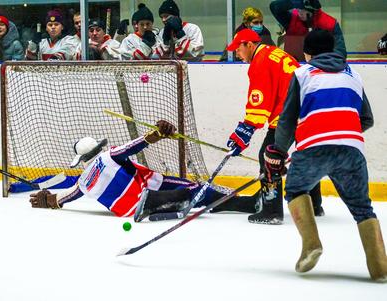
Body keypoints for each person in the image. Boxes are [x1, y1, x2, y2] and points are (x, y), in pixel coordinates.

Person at [263, 29, 386, 282]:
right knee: (363, 208)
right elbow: (367, 119)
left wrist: (279, 151)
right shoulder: (354, 74)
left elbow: (286, 120)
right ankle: (380, 267)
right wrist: (341, 132)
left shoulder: (302, 73)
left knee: (296, 190)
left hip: (313, 148)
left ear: (307, 53)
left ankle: (311, 245)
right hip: (352, 148)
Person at [29, 120, 257, 221]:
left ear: (82, 160)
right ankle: (246, 203)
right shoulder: (109, 155)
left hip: (130, 210)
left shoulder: (82, 182)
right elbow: (135, 145)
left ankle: (166, 202)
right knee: (196, 189)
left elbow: (65, 197)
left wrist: (48, 199)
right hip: (149, 191)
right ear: (98, 148)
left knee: (187, 193)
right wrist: (158, 133)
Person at [224, 28, 322, 225]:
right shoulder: (274, 53)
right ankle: (315, 204)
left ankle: (271, 211)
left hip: (289, 115)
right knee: (305, 155)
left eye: (238, 48)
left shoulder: (260, 62)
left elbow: (260, 102)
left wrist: (245, 131)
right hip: (308, 113)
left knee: (268, 157)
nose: (236, 53)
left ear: (249, 45)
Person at [270, 0, 346, 61]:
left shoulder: (330, 24)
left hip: (321, 69)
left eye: (302, 9)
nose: (299, 12)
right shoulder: (292, 19)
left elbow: (340, 53)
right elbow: (274, 7)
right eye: (298, 8)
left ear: (312, 10)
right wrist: (294, 2)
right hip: (294, 67)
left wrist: (325, 65)